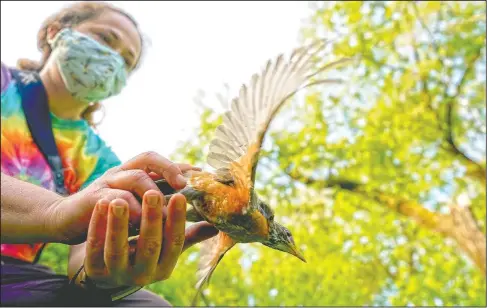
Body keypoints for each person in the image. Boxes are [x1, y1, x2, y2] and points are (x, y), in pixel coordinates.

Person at [0, 1, 216, 306]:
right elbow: (63, 217)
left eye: (126, 61)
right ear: (55, 32)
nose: (113, 58)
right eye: (105, 39)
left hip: (16, 278)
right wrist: (56, 213)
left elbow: (81, 263)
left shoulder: (101, 162)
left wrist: (110, 269)